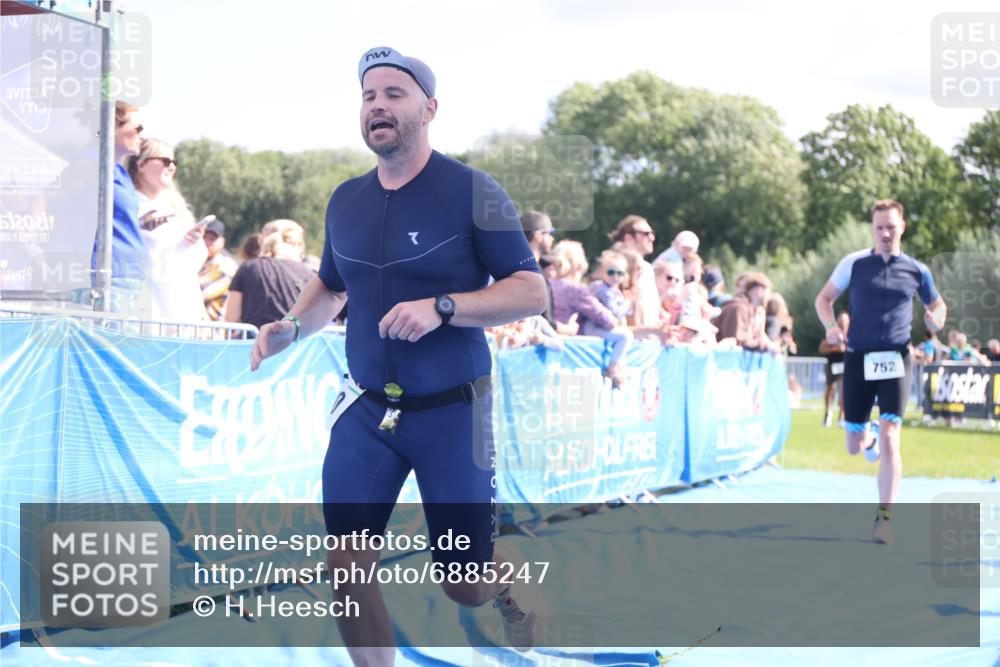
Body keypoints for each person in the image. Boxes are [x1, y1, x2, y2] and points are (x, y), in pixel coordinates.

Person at [248, 47, 547, 662]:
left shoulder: (474, 190)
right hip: (368, 413)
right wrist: (288, 327)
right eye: (368, 96)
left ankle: (505, 573)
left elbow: (532, 291)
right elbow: (331, 288)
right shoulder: (344, 201)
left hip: (452, 413)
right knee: (347, 563)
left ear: (429, 108)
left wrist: (443, 307)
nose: (377, 105)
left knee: (463, 585)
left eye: (394, 93)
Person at [814, 199, 946, 545]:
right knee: (855, 447)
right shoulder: (854, 264)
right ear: (873, 228)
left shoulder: (917, 270)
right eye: (879, 228)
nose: (886, 233)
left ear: (902, 226)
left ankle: (884, 518)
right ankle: (867, 435)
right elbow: (823, 299)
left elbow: (937, 304)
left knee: (892, 438)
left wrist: (937, 318)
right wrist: (830, 327)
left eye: (891, 227)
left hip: (897, 359)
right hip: (858, 358)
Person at [127, 138, 210, 324]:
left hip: (184, 307)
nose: (171, 167)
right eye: (165, 161)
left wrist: (192, 241)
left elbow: (193, 263)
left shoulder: (176, 208)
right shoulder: (130, 205)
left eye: (174, 162)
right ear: (141, 164)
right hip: (148, 309)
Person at [92, 100, 145, 312]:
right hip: (108, 278)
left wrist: (142, 224)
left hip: (130, 277)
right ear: (112, 127)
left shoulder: (120, 172)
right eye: (137, 128)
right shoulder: (89, 165)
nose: (142, 135)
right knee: (109, 343)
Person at [226, 222, 316, 330]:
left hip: (256, 342)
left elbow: (232, 319)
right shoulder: (308, 272)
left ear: (261, 240)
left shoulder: (248, 268)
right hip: (297, 342)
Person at [585, 250, 635, 388]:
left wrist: (626, 302)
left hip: (603, 328)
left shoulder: (615, 291)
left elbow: (625, 314)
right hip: (592, 328)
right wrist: (628, 301)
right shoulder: (601, 288)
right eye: (611, 272)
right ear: (602, 272)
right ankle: (613, 368)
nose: (615, 277)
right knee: (626, 336)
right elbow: (617, 312)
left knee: (625, 335)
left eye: (620, 273)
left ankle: (617, 367)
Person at [608, 214, 661, 327]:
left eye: (652, 233)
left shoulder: (648, 268)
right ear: (629, 238)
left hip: (649, 338)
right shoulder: (615, 268)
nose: (652, 238)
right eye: (646, 234)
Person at [714, 271, 778, 352]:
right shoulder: (739, 308)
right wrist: (765, 346)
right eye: (768, 292)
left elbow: (756, 337)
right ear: (760, 291)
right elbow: (739, 342)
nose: (769, 297)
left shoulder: (753, 310)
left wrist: (770, 345)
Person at [198, 218, 239, 321]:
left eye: (212, 238)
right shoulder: (198, 264)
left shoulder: (226, 267)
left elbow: (196, 292)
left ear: (222, 242)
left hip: (211, 332)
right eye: (204, 237)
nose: (207, 242)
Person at [819, 312, 850, 427]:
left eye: (844, 320)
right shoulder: (832, 333)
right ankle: (827, 413)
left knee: (844, 391)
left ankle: (842, 417)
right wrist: (836, 348)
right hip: (832, 364)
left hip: (846, 365)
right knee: (830, 389)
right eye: (840, 320)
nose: (842, 322)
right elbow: (822, 348)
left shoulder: (851, 334)